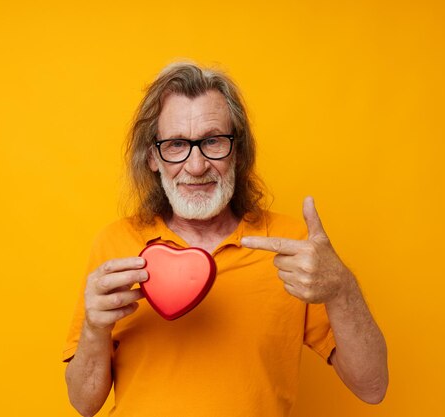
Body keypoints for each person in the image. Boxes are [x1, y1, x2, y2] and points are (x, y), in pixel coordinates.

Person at [63, 62, 388, 417]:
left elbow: (372, 387)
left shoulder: (291, 245)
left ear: (238, 149)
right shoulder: (115, 244)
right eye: (175, 145)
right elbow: (84, 402)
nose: (197, 165)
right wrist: (95, 328)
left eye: (213, 140)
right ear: (153, 156)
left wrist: (342, 287)